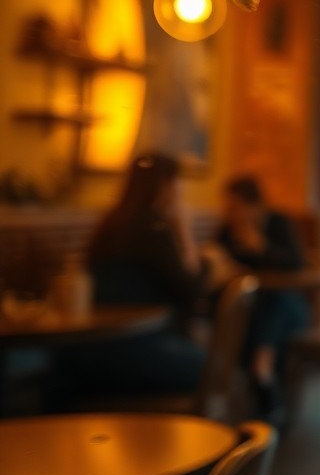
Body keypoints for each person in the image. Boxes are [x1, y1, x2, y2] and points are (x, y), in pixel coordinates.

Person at [54, 153, 206, 397]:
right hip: (128, 349)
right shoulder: (152, 227)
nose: (182, 190)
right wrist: (184, 231)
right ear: (166, 185)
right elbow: (191, 290)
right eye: (178, 181)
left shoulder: (113, 222)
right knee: (215, 367)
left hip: (82, 350)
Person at [217, 175, 309, 416]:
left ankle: (262, 370)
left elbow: (297, 264)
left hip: (290, 309)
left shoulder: (279, 223)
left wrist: (261, 247)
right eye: (228, 206)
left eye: (236, 206)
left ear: (255, 205)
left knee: (275, 300)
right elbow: (217, 261)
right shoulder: (228, 230)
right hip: (251, 309)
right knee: (258, 310)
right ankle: (263, 373)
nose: (231, 212)